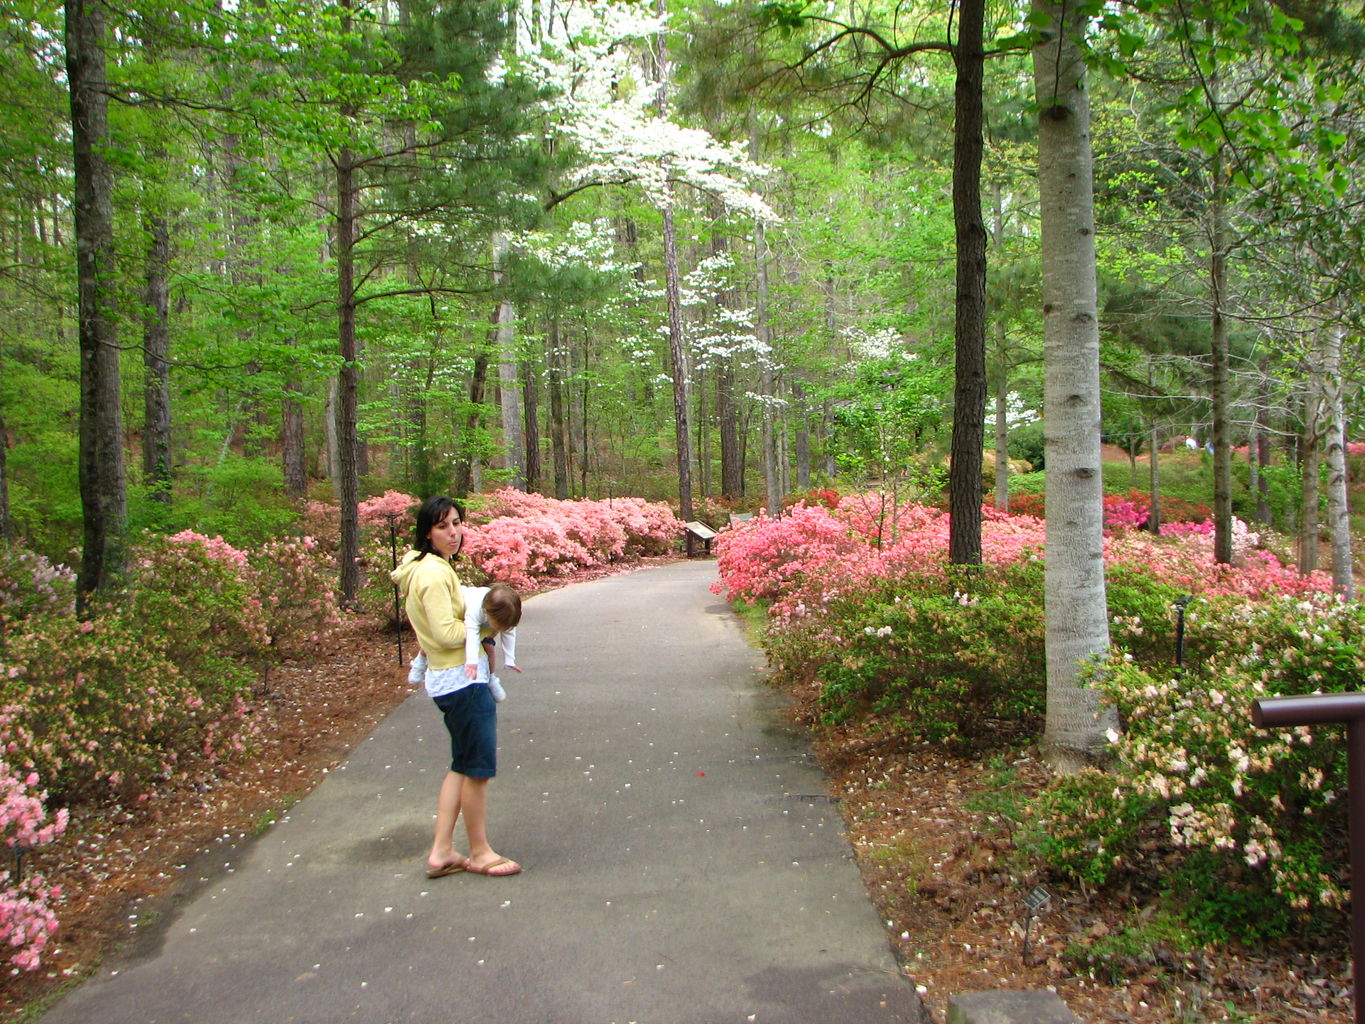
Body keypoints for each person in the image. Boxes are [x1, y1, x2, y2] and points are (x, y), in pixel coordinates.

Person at [391, 496, 521, 879]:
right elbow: (445, 632)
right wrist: (489, 625)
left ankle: (442, 851)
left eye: (458, 523)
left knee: (462, 766)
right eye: (443, 526)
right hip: (462, 681)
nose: (454, 533)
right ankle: (479, 851)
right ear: (427, 533)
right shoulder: (432, 574)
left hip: (449, 679)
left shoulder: (427, 567)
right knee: (477, 768)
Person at [408, 583, 522, 703]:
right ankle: (420, 662)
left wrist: (510, 659)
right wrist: (472, 662)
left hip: (483, 620)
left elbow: (509, 632)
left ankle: (491, 679)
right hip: (457, 613)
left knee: (489, 647)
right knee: (436, 640)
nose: (500, 630)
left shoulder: (507, 613)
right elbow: (472, 635)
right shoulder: (475, 608)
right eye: (499, 626)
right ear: (486, 612)